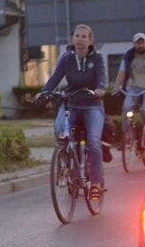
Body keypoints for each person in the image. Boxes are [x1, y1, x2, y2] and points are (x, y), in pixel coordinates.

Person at [40, 24, 107, 200]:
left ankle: (96, 183)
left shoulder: (97, 58)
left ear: (90, 40)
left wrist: (100, 89)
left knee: (93, 142)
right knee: (61, 133)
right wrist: (45, 91)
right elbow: (56, 76)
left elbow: (101, 78)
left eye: (84, 36)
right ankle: (70, 169)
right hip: (72, 103)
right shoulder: (66, 58)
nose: (80, 39)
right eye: (77, 36)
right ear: (72, 39)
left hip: (92, 104)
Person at [114, 32, 145, 153]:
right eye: (137, 43)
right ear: (134, 44)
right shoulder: (128, 55)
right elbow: (122, 72)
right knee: (126, 108)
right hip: (134, 87)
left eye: (142, 42)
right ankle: (126, 138)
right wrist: (116, 87)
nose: (140, 45)